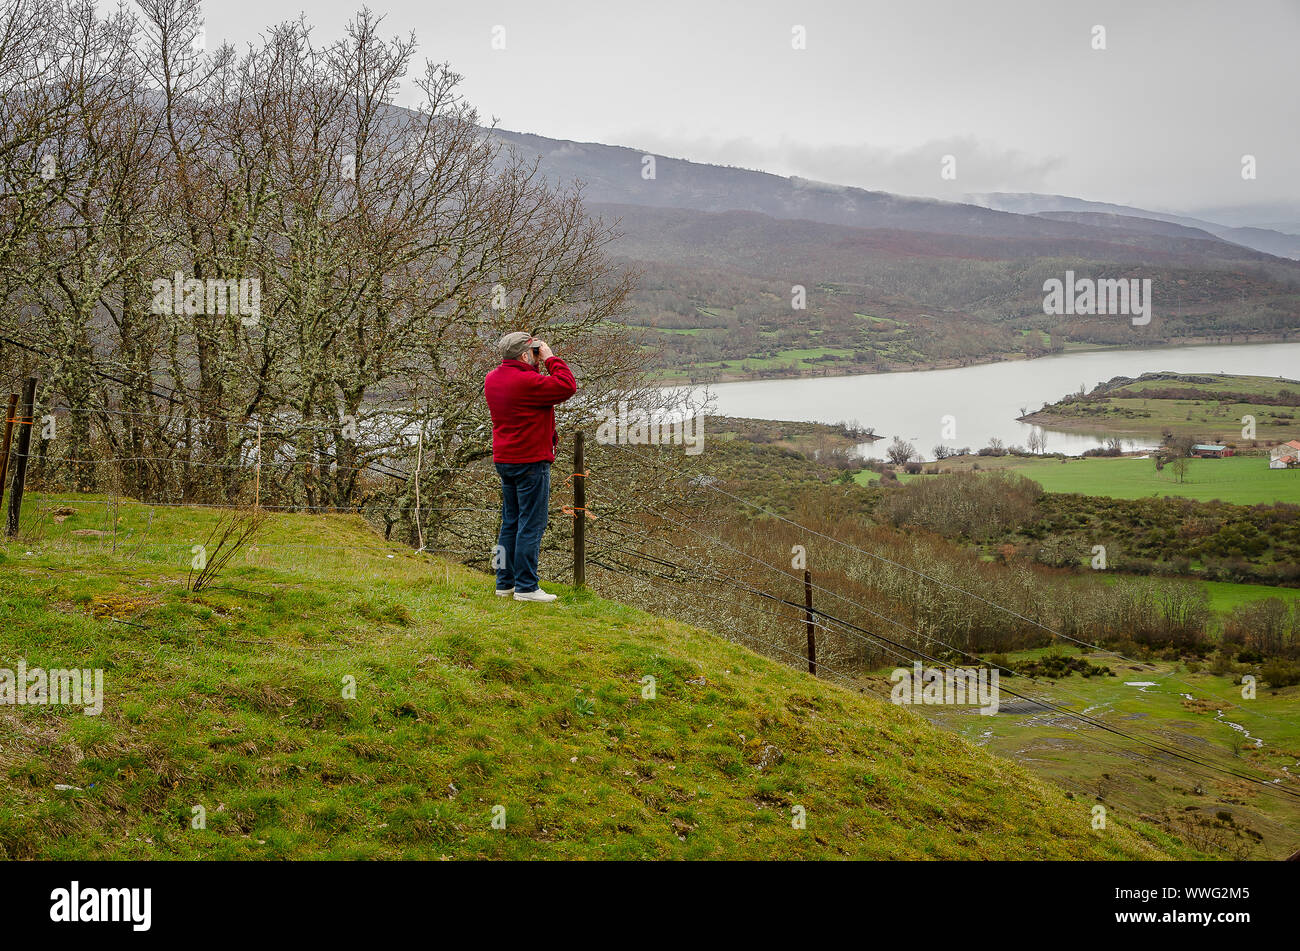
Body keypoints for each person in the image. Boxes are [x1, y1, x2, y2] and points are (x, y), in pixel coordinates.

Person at [483, 331, 577, 602]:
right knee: (531, 524)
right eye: (533, 351)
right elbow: (567, 386)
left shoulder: (492, 379)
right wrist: (551, 359)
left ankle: (505, 582)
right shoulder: (528, 381)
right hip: (530, 462)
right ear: (524, 355)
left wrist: (537, 361)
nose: (537, 354)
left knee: (510, 522)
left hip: (505, 459)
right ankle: (526, 587)